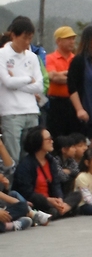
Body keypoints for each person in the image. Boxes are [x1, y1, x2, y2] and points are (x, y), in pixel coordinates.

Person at [0, 16, 44, 160]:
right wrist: (28, 79)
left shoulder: (32, 57)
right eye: (24, 38)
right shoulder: (2, 55)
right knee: (13, 157)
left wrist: (16, 82)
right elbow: (8, 82)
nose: (27, 42)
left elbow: (39, 86)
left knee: (31, 157)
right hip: (11, 113)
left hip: (32, 111)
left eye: (30, 38)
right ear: (13, 35)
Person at [11, 126, 74, 219]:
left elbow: (56, 184)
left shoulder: (51, 161)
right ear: (38, 142)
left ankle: (60, 209)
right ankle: (61, 211)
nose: (52, 141)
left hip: (52, 201)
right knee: (36, 204)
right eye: (48, 139)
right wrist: (48, 200)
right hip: (36, 202)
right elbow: (27, 193)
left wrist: (59, 199)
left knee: (77, 194)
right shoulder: (26, 165)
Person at [45, 26, 76, 138]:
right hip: (56, 104)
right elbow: (53, 77)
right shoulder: (50, 58)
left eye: (73, 38)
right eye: (68, 38)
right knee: (56, 136)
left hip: (74, 103)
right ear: (58, 41)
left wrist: (62, 74)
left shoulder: (76, 59)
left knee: (73, 136)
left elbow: (80, 78)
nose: (72, 41)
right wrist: (72, 77)